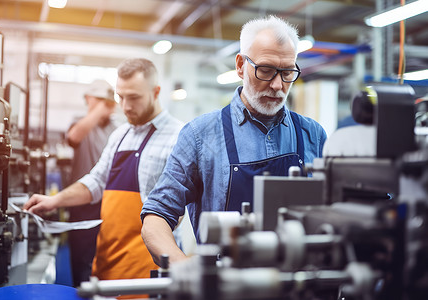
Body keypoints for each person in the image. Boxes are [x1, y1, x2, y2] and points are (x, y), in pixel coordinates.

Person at [141, 15, 327, 266]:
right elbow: (157, 215)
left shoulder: (312, 134)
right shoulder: (200, 135)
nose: (277, 85)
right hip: (227, 285)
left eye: (287, 73)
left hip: (300, 284)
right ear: (240, 65)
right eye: (266, 70)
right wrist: (182, 267)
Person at [24, 58, 183, 286]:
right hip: (108, 265)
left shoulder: (179, 136)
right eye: (121, 96)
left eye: (134, 97)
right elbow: (97, 181)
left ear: (156, 92)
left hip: (149, 269)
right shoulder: (120, 135)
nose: (125, 106)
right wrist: (55, 200)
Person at [65, 79, 119, 287]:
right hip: (81, 204)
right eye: (103, 101)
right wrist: (96, 109)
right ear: (88, 100)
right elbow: (74, 137)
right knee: (80, 259)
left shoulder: (118, 128)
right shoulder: (80, 122)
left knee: (105, 257)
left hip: (108, 203)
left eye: (110, 102)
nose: (108, 106)